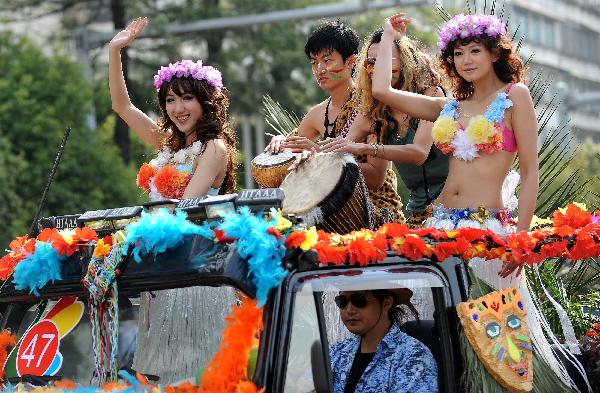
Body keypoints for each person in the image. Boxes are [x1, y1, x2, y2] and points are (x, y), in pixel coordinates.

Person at [371, 13, 590, 391]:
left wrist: (521, 243)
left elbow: (532, 172)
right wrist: (390, 38)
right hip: (438, 229)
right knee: (442, 333)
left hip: (488, 233)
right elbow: (382, 93)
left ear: (494, 53)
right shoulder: (451, 104)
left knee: (496, 342)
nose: (466, 59)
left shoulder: (515, 96)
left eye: (475, 50)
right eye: (458, 53)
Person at [108, 17, 237, 383]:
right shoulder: (167, 145)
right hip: (163, 270)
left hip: (198, 268)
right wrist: (115, 50)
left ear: (205, 102)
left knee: (197, 372)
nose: (178, 108)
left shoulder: (214, 148)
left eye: (187, 98)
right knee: (159, 373)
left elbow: (185, 211)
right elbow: (122, 106)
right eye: (170, 100)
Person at [266, 20, 403, 226]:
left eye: (327, 60)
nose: (320, 69)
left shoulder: (372, 106)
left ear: (350, 62)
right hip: (332, 212)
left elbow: (376, 178)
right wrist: (279, 142)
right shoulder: (317, 113)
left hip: (376, 213)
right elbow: (294, 147)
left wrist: (322, 158)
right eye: (314, 62)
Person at [320, 29, 449, 227]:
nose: (377, 68)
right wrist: (310, 151)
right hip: (418, 216)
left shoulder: (432, 93)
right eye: (371, 62)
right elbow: (342, 146)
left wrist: (366, 149)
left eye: (385, 60)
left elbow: (419, 153)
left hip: (454, 207)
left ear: (406, 63)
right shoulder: (373, 110)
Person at [329, 289, 438, 393]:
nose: (349, 310)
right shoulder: (336, 352)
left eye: (359, 300)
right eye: (342, 301)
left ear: (386, 303)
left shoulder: (413, 356)